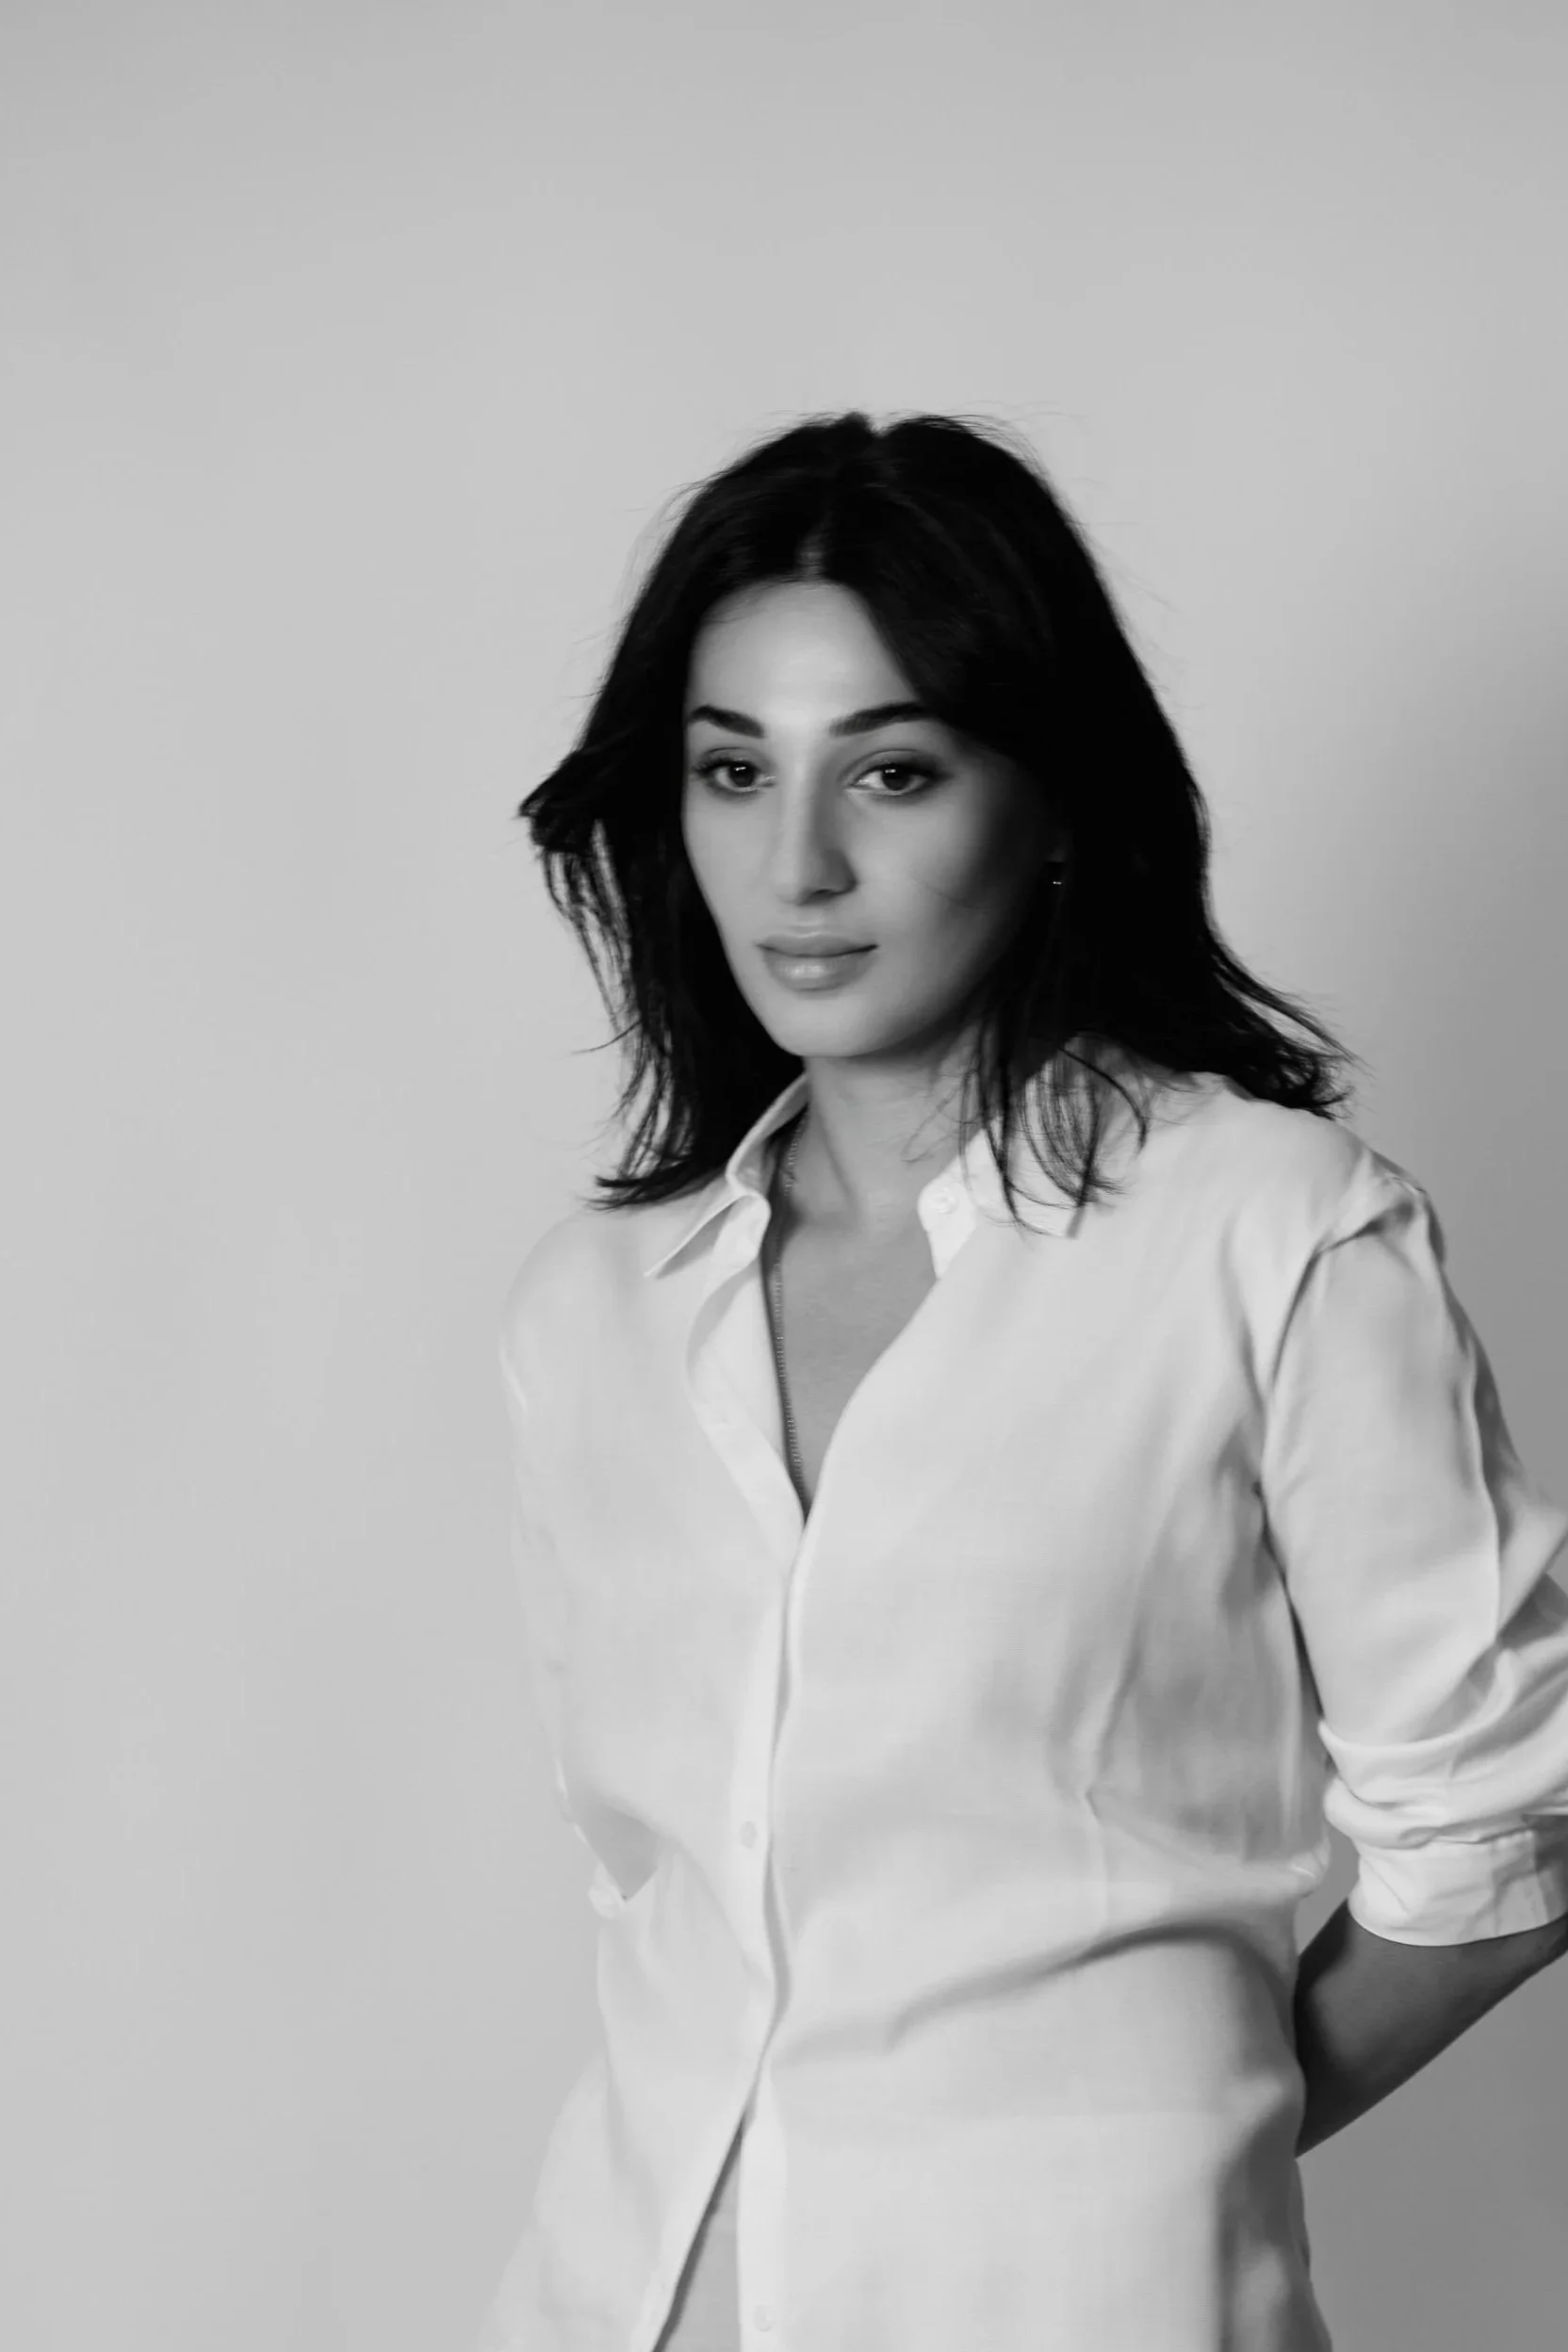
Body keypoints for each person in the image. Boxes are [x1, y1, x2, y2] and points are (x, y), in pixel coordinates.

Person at [476, 412, 1568, 2352]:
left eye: (891, 771)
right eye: (735, 770)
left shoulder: (1272, 1234)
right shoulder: (598, 1309)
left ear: (1052, 801)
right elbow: (664, 1896)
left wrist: (1158, 2144)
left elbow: (1503, 1838)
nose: (799, 864)